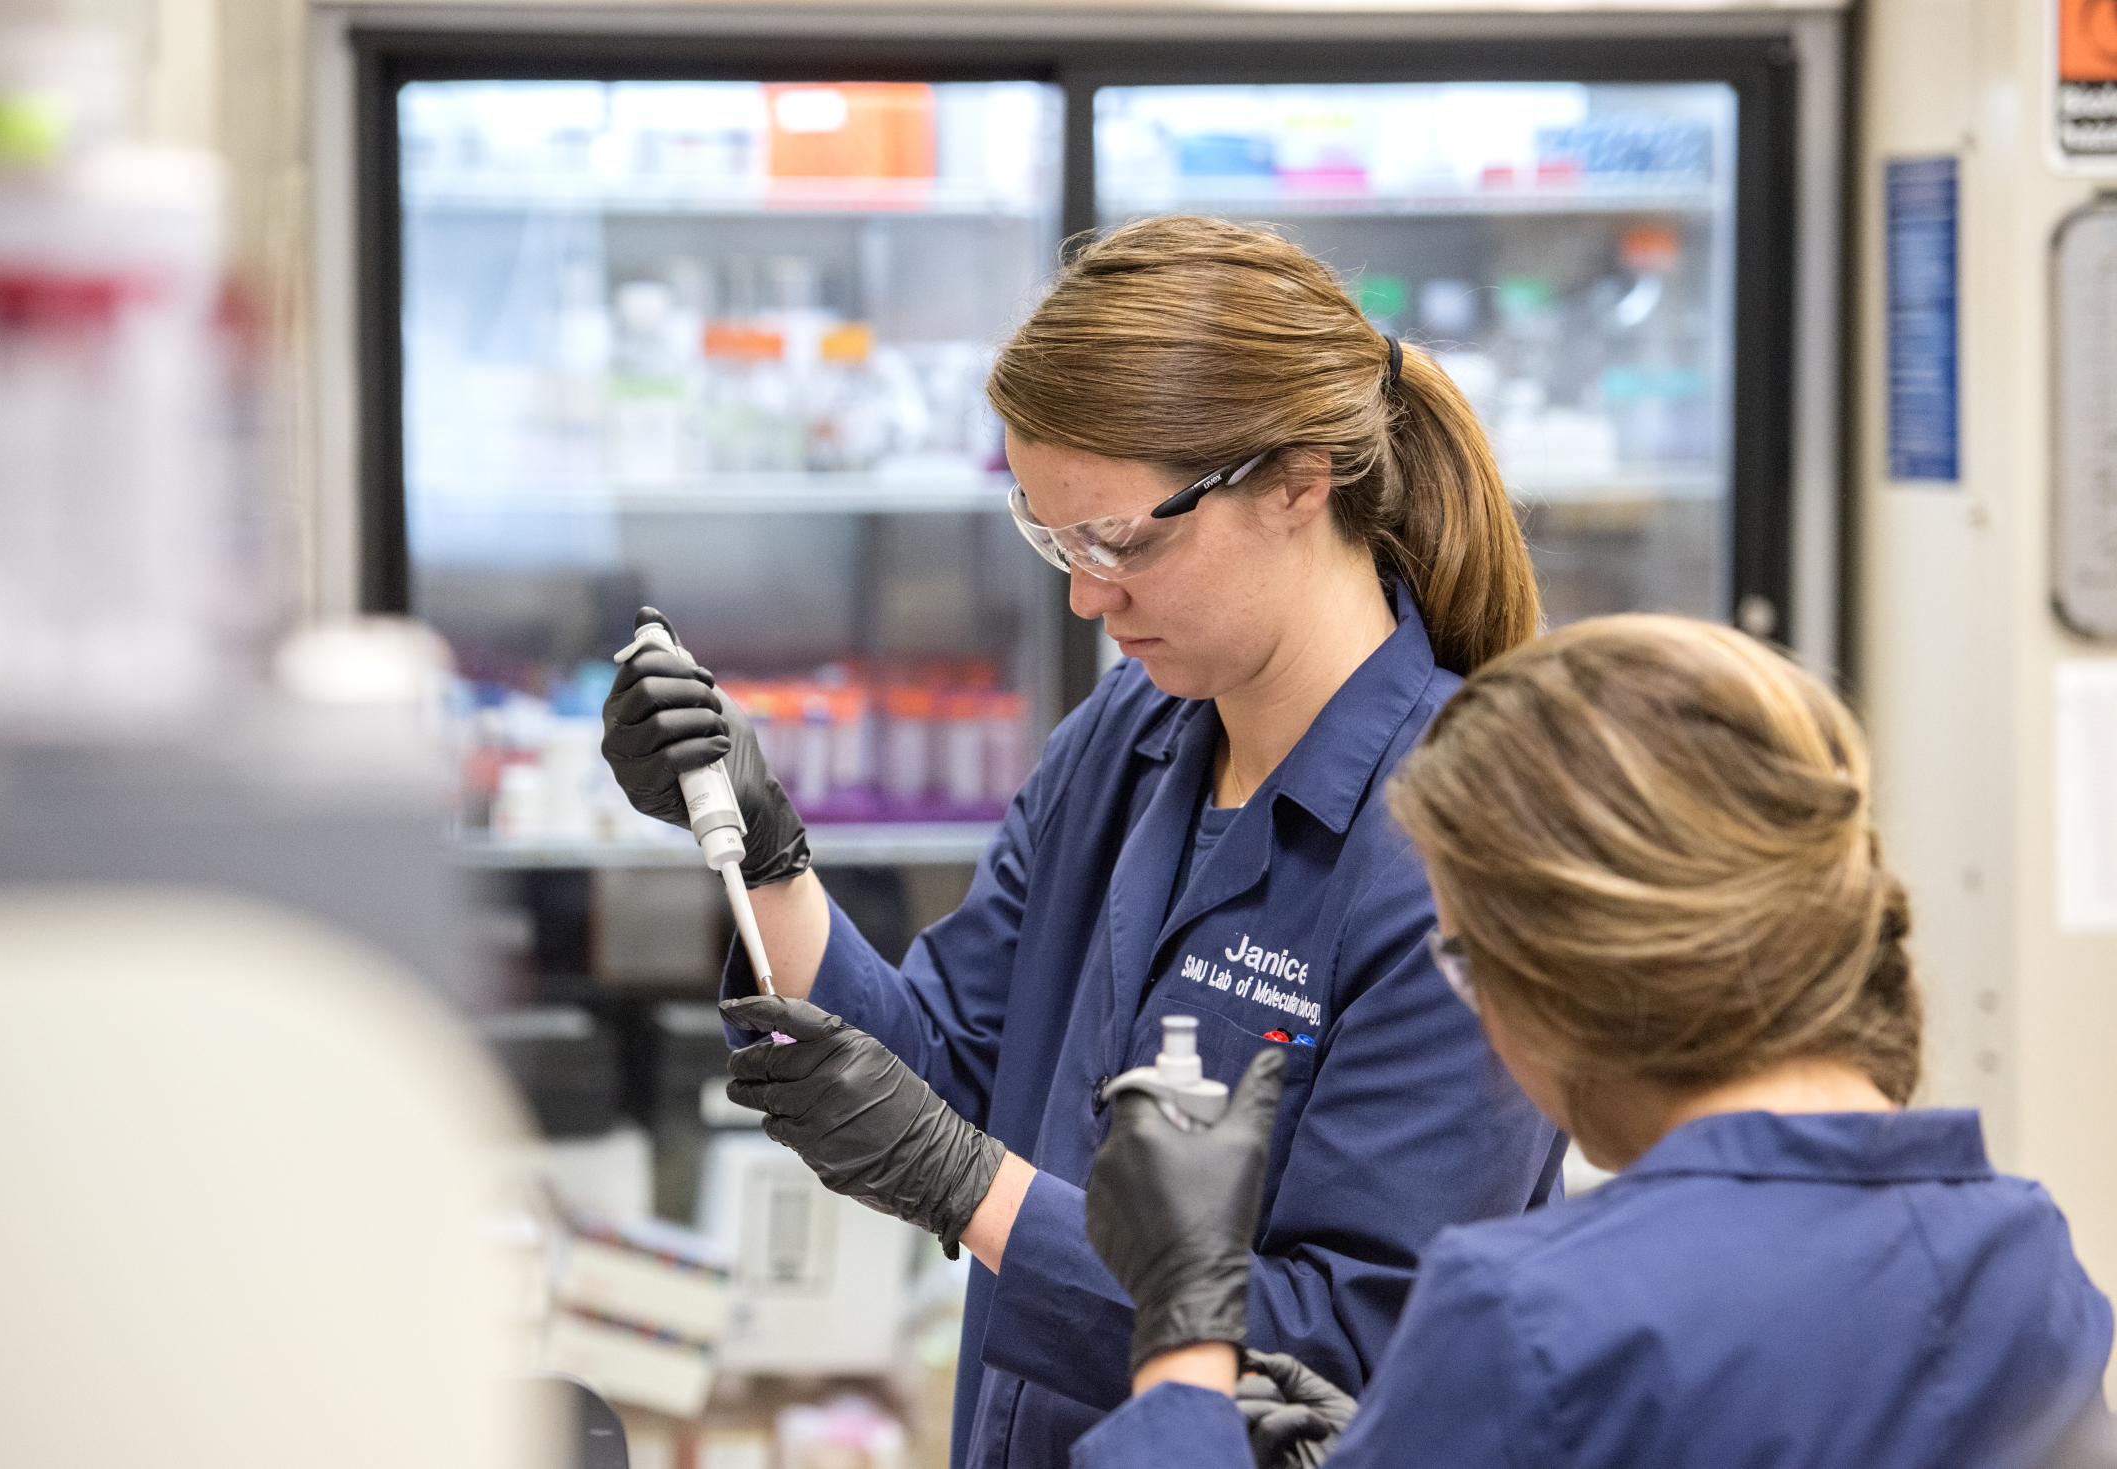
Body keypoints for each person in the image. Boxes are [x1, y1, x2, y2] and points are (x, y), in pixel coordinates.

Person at [601, 215, 1566, 1469]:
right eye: (1051, 536)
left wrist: (974, 1190)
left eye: (1122, 540)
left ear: (1298, 479)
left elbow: (1346, 1352)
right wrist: (764, 853)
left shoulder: (1459, 842)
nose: (1083, 593)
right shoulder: (1133, 731)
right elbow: (939, 1067)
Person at [1074, 615, 2116, 1469]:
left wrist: (1186, 1341)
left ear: (1568, 969)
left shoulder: (1530, 1315)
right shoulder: (2022, 1255)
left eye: (1465, 962)